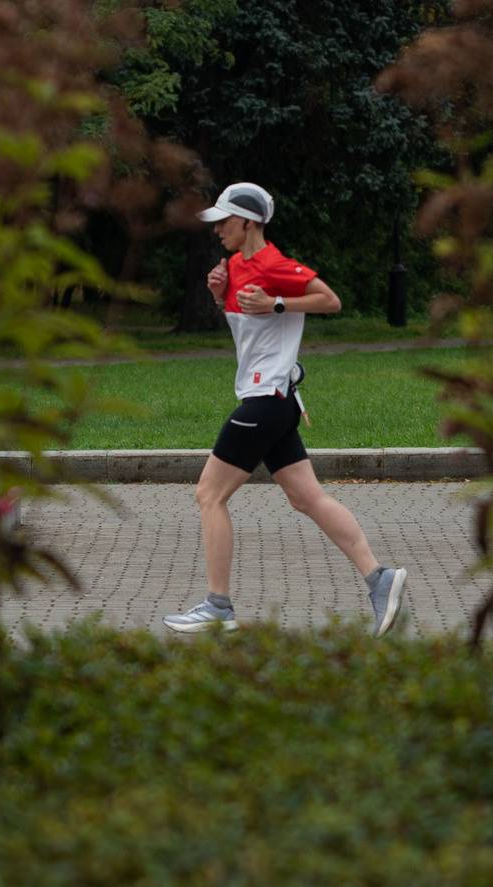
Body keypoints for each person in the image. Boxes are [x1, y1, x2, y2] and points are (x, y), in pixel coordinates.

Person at [163, 182, 408, 637]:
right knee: (307, 498)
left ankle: (218, 606)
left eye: (224, 221)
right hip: (274, 402)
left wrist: (277, 302)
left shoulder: (274, 265)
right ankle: (380, 579)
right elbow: (250, 331)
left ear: (248, 222)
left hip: (265, 400)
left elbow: (330, 301)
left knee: (209, 495)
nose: (217, 230)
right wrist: (218, 295)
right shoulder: (235, 266)